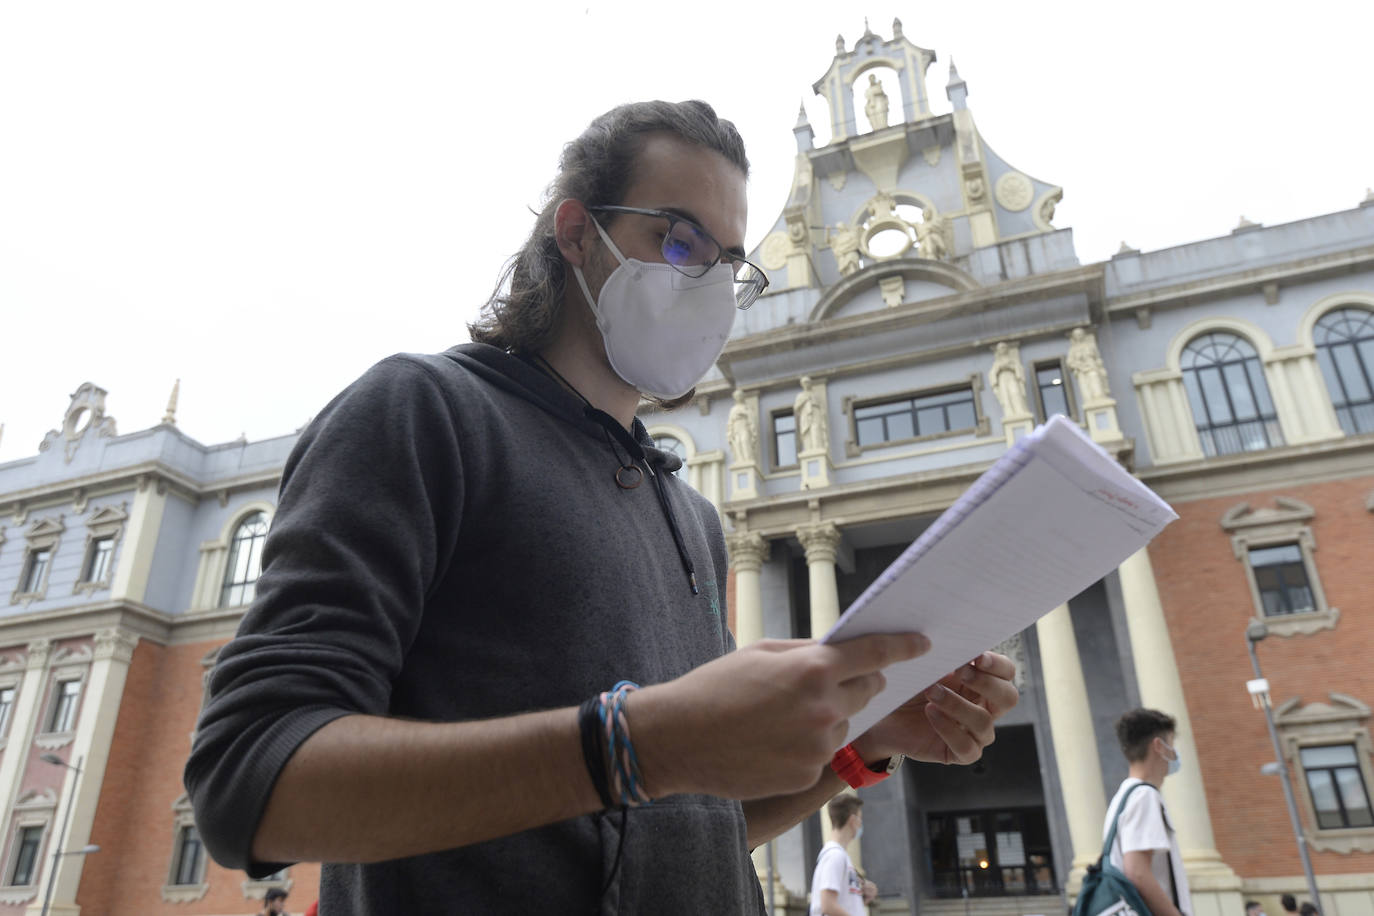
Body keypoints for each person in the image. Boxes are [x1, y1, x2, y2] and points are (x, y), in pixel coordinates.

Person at [185, 99, 1019, 914]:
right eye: (681, 239)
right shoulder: (424, 412)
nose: (713, 286)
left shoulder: (690, 517)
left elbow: (693, 821)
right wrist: (638, 743)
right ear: (578, 232)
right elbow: (249, 778)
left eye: (732, 264)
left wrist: (865, 740)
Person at [1104, 709, 1191, 916]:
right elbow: (1136, 871)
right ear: (1159, 746)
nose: (1175, 754)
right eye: (1171, 744)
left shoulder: (1124, 797)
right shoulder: (1144, 795)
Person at [808, 794, 876, 916]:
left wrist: (863, 896)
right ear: (853, 821)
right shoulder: (835, 856)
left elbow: (842, 904)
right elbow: (828, 905)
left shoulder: (838, 855)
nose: (861, 824)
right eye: (860, 819)